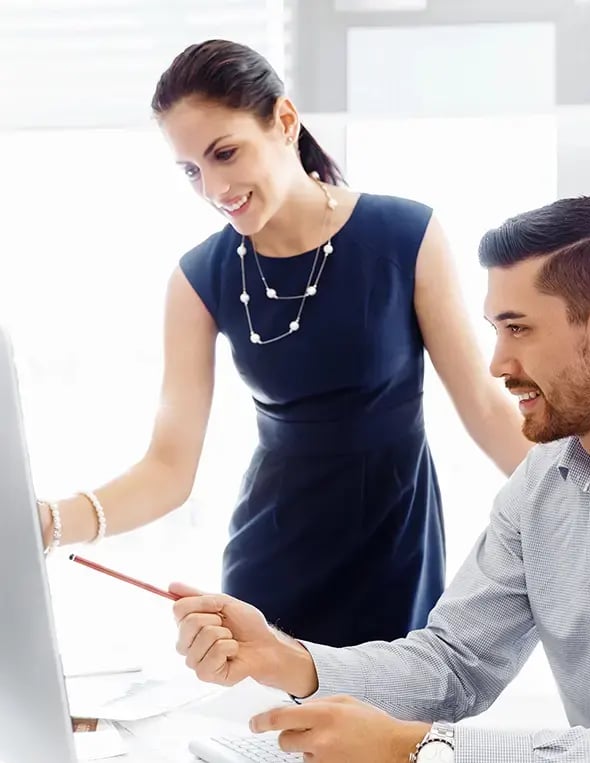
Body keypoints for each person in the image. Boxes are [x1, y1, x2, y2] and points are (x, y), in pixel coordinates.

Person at [169, 197, 590, 763]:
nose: (498, 363)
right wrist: (288, 658)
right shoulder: (542, 483)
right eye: (495, 330)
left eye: (518, 330)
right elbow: (454, 662)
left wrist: (417, 748)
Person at [36, 39, 532, 646]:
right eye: (192, 170)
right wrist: (47, 524)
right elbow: (168, 468)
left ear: (285, 121)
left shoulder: (406, 235)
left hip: (398, 557)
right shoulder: (197, 279)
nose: (214, 188)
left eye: (225, 153)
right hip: (271, 571)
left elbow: (484, 409)